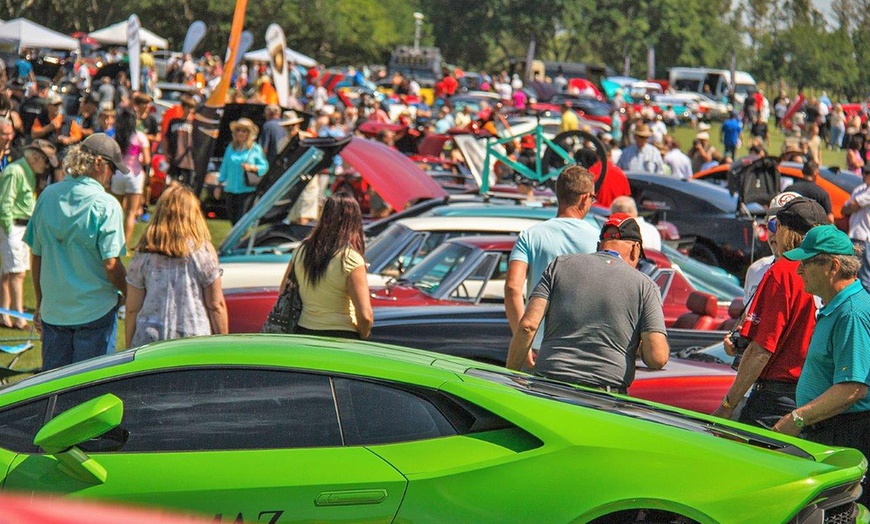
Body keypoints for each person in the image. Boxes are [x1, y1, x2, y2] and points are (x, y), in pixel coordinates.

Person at [506, 213, 669, 392]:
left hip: (548, 385)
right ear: (635, 249)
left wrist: (512, 376)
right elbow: (657, 358)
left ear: (599, 245)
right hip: (605, 395)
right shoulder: (646, 286)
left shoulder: (559, 265)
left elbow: (527, 326)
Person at [771, 226, 870, 507]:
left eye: (806, 262)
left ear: (833, 266)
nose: (799, 270)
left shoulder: (851, 312)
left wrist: (796, 419)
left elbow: (852, 389)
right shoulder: (837, 307)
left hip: (847, 435)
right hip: (833, 431)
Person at [712, 197, 827, 428]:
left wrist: (727, 405)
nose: (773, 235)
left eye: (775, 226)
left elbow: (761, 350)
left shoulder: (783, 270)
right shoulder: (831, 269)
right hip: (819, 397)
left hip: (776, 398)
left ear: (786, 230)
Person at [24, 134, 127, 370]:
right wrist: (129, 292)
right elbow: (111, 264)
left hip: (55, 311)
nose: (112, 176)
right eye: (112, 168)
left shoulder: (48, 196)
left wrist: (41, 303)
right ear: (99, 163)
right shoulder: (106, 204)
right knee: (89, 393)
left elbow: (37, 255)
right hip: (95, 311)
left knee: (55, 393)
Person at [504, 165, 600, 369]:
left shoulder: (530, 235)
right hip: (582, 350)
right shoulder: (599, 239)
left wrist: (522, 342)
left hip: (538, 346)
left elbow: (513, 287)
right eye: (593, 198)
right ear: (585, 198)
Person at [125, 186, 227, 348]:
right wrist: (223, 344)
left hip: (150, 337)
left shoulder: (144, 253)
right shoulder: (202, 251)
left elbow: (132, 308)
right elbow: (215, 305)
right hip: (193, 336)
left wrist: (129, 346)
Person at [281, 193, 373, 339]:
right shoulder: (350, 259)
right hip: (341, 335)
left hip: (304, 331)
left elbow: (283, 291)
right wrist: (363, 336)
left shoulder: (302, 250)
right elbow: (365, 316)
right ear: (354, 221)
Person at [0, 140, 57, 329]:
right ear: (35, 157)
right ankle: (19, 317)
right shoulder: (15, 171)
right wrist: (8, 232)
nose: (46, 166)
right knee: (17, 273)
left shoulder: (29, 172)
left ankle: (5, 313)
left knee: (10, 273)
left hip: (23, 228)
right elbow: (5, 203)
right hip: (13, 227)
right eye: (45, 161)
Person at [111, 109, 151, 249]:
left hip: (118, 174)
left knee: (116, 210)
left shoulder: (116, 137)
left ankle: (112, 242)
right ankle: (125, 246)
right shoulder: (140, 137)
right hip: (134, 175)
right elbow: (147, 160)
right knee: (131, 213)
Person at [218, 117, 268, 225]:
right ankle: (237, 241)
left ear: (248, 133)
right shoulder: (231, 148)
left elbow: (264, 166)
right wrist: (219, 183)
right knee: (232, 219)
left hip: (246, 190)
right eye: (238, 130)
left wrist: (252, 167)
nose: (240, 133)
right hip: (231, 189)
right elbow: (224, 166)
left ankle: (241, 241)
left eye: (244, 131)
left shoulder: (255, 148)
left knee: (242, 221)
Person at [843, 166, 870, 292]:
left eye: (868, 173)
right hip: (853, 234)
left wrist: (853, 206)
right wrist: (853, 206)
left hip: (864, 236)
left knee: (864, 277)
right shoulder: (860, 189)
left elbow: (853, 205)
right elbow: (845, 209)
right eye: (864, 172)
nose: (865, 175)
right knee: (854, 275)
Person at [161, 94, 196, 187]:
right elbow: (166, 139)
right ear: (183, 107)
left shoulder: (194, 124)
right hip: (174, 160)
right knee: (173, 186)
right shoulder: (173, 122)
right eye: (188, 107)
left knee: (187, 188)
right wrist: (166, 154)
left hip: (189, 162)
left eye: (192, 108)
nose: (190, 110)